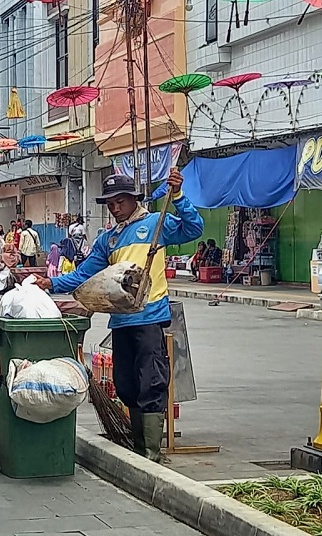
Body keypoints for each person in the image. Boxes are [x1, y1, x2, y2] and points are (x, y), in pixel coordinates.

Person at [34, 170, 203, 462]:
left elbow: (193, 229)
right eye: (110, 204)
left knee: (151, 381)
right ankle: (138, 446)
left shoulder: (154, 223)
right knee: (126, 384)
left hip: (149, 317)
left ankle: (151, 452)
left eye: (120, 202)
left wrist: (177, 196)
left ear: (133, 200)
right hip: (121, 320)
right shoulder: (107, 240)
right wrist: (51, 284)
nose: (114, 208)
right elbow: (87, 274)